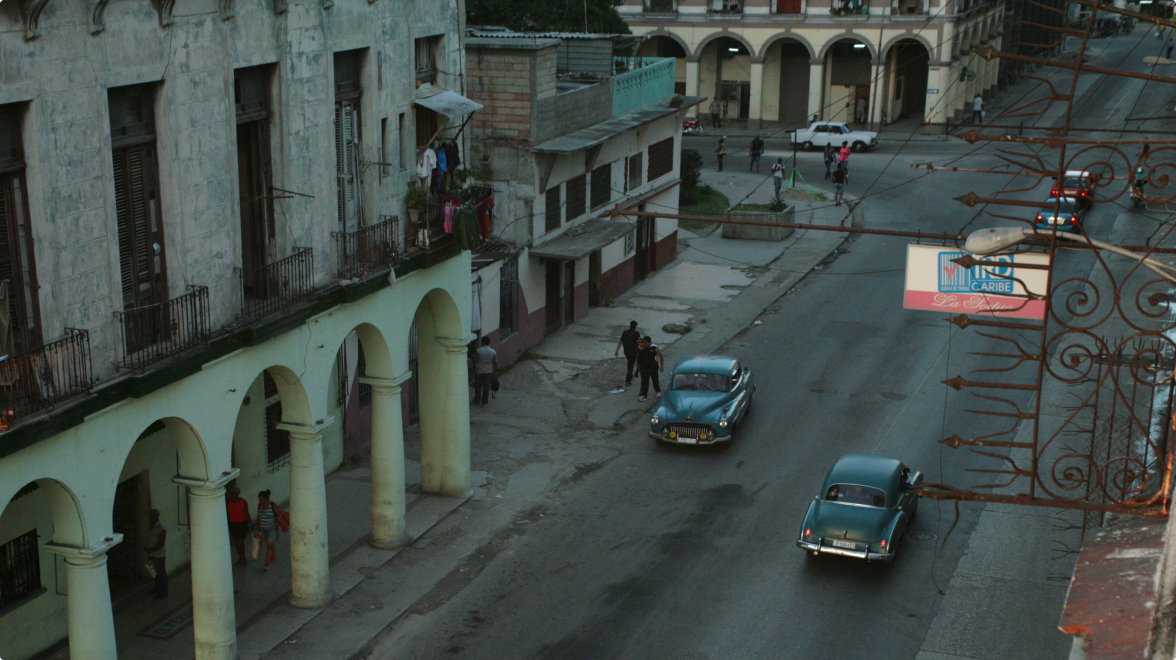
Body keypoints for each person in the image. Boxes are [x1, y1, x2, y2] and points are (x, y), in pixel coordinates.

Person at [255, 490, 284, 570]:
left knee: (269, 545)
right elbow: (259, 516)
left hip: (272, 528)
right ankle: (273, 556)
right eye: (259, 499)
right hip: (263, 528)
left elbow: (279, 514)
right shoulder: (259, 505)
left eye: (261, 499)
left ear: (266, 498)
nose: (260, 501)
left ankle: (266, 563)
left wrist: (279, 519)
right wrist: (258, 526)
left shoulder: (273, 505)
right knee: (269, 543)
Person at [225, 487, 252, 566]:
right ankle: (241, 558)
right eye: (232, 493)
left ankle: (243, 558)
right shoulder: (228, 501)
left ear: (238, 493)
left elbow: (246, 513)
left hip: (242, 524)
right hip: (233, 524)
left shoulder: (243, 502)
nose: (234, 495)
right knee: (237, 543)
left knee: (240, 542)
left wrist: (250, 523)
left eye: (235, 493)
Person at [145, 509, 168, 599]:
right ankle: (157, 588)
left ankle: (164, 592)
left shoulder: (161, 528)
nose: (150, 518)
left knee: (161, 573)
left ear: (157, 517)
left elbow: (161, 543)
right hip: (151, 554)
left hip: (158, 555)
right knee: (154, 572)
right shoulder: (150, 525)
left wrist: (151, 550)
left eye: (152, 516)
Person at [636, 336, 665, 402]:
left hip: (653, 367)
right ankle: (644, 395)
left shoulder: (654, 347)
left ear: (649, 342)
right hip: (645, 367)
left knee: (655, 380)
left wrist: (661, 366)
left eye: (646, 343)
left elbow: (661, 356)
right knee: (644, 381)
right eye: (644, 343)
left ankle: (658, 391)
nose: (645, 344)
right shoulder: (644, 347)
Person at [614, 321, 641, 386]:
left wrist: (617, 350)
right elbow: (639, 343)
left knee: (629, 363)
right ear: (635, 326)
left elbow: (621, 341)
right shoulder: (636, 333)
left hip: (626, 351)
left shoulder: (625, 332)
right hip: (633, 351)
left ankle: (630, 376)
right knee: (631, 364)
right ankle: (628, 379)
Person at [472, 336, 497, 405]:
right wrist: (495, 372)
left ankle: (477, 399)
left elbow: (475, 360)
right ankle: (484, 400)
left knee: (478, 386)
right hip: (488, 371)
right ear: (489, 342)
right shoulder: (493, 352)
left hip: (479, 371)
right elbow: (495, 363)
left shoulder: (479, 351)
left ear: (482, 342)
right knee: (486, 386)